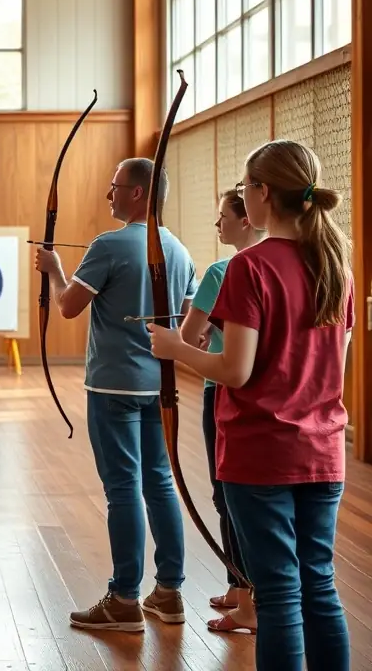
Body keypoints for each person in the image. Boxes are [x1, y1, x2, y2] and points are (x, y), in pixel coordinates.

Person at [148, 140, 352, 671]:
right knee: (319, 586)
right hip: (323, 451)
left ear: (262, 194)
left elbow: (235, 371)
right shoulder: (336, 267)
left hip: (261, 452)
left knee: (280, 593)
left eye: (243, 189)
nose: (243, 197)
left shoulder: (250, 266)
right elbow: (332, 369)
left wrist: (174, 348)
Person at [34, 157, 197, 631]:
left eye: (115, 187)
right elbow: (188, 325)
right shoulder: (180, 250)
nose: (109, 195)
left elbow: (67, 306)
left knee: (122, 487)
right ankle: (168, 593)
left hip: (112, 386)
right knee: (160, 482)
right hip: (159, 387)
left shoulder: (109, 244)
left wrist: (55, 269)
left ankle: (124, 599)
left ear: (140, 193)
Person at [177, 188, 264, 634]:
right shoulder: (294, 263)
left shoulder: (223, 270)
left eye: (222, 216)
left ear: (246, 219)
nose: (217, 224)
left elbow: (189, 338)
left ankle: (247, 600)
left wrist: (183, 332)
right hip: (265, 393)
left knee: (226, 494)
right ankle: (238, 587)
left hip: (222, 388)